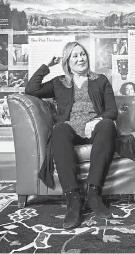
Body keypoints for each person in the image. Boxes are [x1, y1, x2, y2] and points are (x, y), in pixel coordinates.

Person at [25, 41, 118, 229]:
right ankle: (73, 199)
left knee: (108, 125)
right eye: (75, 56)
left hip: (94, 128)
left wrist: (97, 121)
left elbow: (112, 111)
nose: (80, 58)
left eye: (82, 54)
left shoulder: (100, 80)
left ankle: (93, 193)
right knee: (59, 129)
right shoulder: (59, 82)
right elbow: (31, 90)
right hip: (70, 128)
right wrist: (46, 66)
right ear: (67, 61)